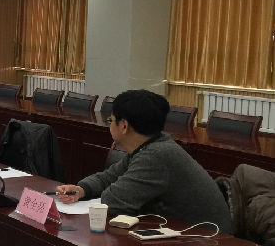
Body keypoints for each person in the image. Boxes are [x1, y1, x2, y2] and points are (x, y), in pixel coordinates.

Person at [56, 89, 231, 232]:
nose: (110, 125)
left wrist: (102, 192)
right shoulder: (149, 146)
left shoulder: (157, 155)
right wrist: (81, 189)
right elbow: (108, 177)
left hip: (208, 243)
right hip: (185, 235)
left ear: (124, 126)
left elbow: (114, 200)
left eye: (111, 120)